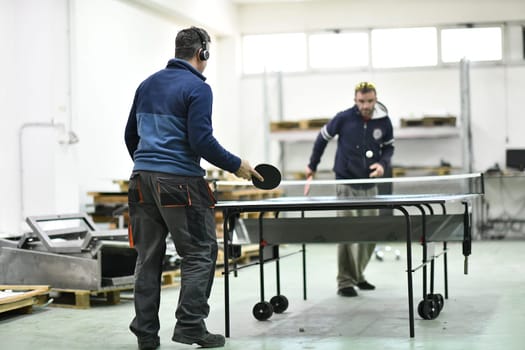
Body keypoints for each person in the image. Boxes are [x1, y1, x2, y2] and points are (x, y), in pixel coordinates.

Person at [124, 26, 262, 350]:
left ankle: (146, 335)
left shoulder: (147, 85)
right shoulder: (198, 88)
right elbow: (202, 141)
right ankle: (190, 326)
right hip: (180, 183)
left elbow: (130, 136)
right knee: (200, 252)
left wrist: (150, 166)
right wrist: (237, 165)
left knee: (147, 257)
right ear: (203, 53)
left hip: (140, 180)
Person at [306, 82, 394, 297]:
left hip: (371, 186)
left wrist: (383, 164)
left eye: (370, 101)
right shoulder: (344, 118)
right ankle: (345, 281)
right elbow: (322, 138)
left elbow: (389, 147)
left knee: (370, 235)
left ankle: (358, 275)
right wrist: (312, 166)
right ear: (355, 100)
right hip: (345, 183)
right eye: (362, 101)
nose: (366, 105)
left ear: (376, 99)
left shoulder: (383, 121)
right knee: (347, 234)